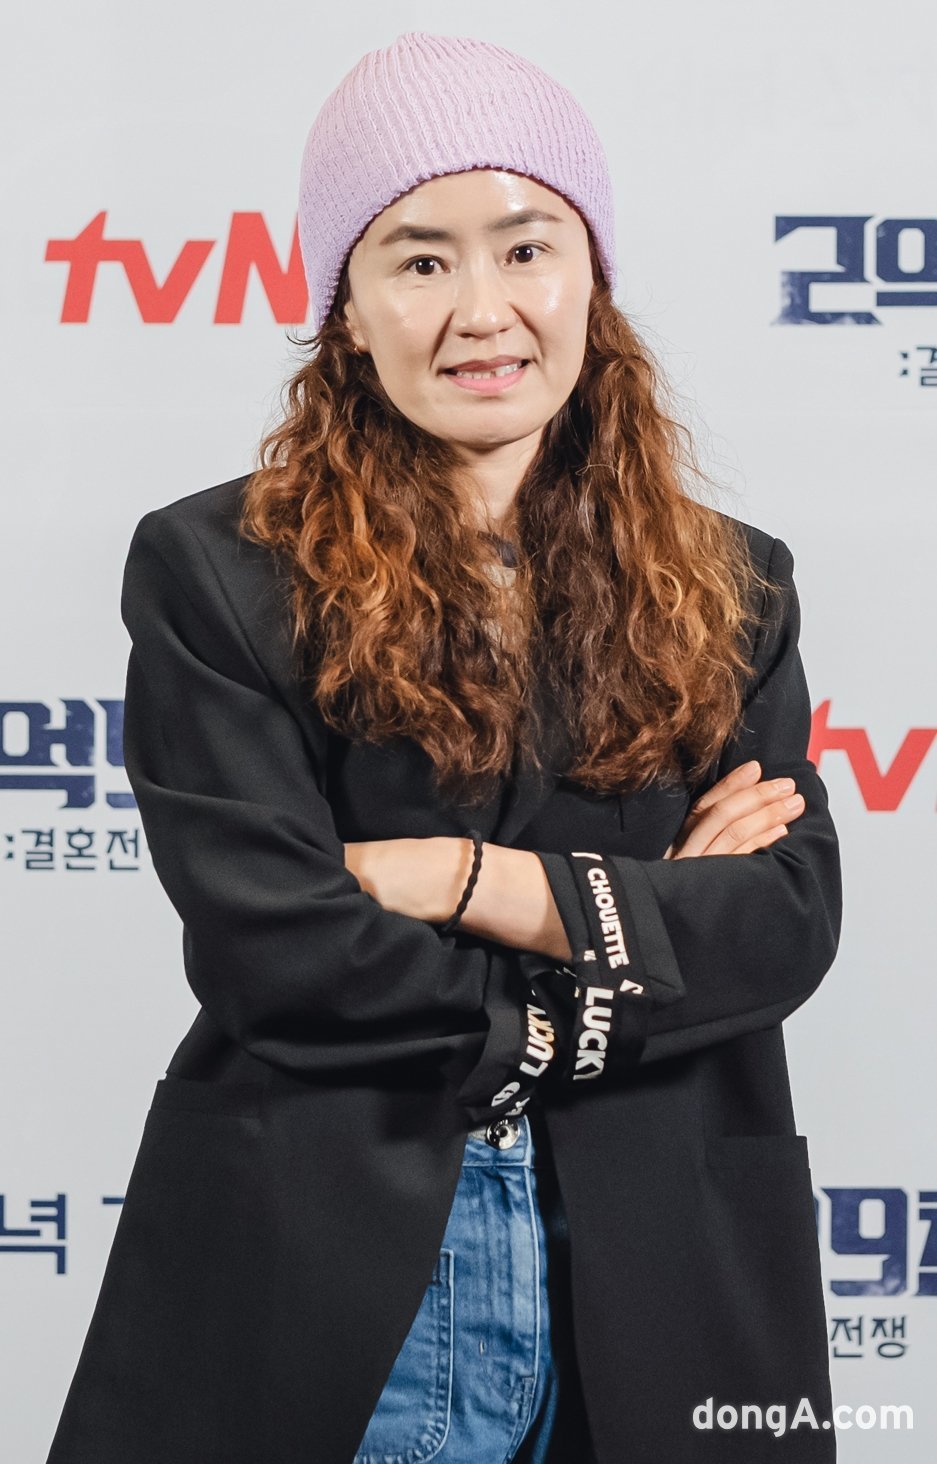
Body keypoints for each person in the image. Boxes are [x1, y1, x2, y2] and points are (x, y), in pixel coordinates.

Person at [45, 31, 842, 1464]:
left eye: (526, 248)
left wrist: (463, 881)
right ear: (346, 312)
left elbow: (779, 924)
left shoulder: (736, 581)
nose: (483, 310)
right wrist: (638, 940)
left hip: (665, 1277)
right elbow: (282, 950)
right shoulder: (219, 569)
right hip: (329, 1276)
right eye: (418, 260)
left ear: (591, 278)